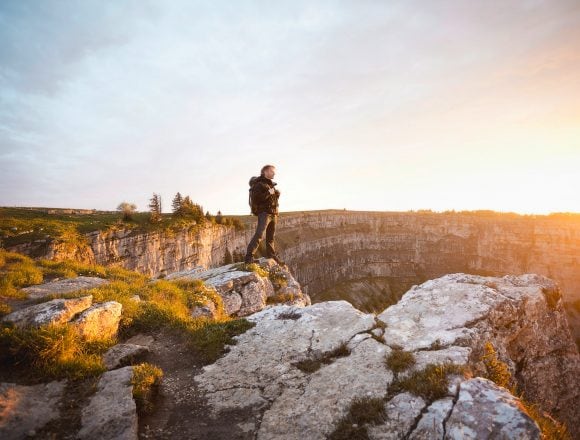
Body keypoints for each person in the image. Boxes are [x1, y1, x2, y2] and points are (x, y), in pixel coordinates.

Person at [245, 164, 285, 266]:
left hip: (273, 213)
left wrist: (276, 195)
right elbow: (257, 199)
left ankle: (271, 255)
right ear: (265, 172)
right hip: (265, 214)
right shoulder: (259, 184)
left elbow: (271, 200)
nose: (274, 173)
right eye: (272, 171)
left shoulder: (270, 184)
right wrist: (269, 192)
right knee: (259, 234)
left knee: (270, 237)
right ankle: (249, 257)